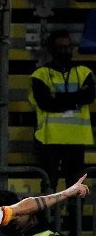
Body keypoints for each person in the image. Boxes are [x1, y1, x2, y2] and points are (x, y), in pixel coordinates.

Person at [30, 30, 95, 193]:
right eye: (60, 47)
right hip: (49, 139)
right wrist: (75, 98)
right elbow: (46, 103)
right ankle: (45, 218)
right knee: (48, 184)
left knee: (75, 185)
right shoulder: (41, 75)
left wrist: (57, 97)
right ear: (51, 49)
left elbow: (88, 97)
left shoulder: (84, 72)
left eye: (68, 47)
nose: (65, 51)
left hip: (75, 138)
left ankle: (72, 219)